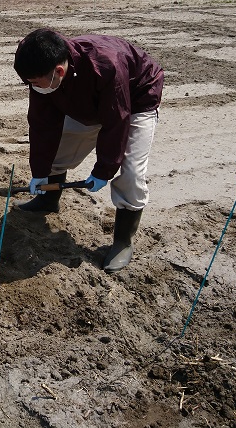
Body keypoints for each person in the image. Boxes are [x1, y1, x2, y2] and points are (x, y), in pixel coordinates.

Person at [12, 28, 164, 273]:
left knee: (131, 172)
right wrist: (39, 171)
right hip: (84, 99)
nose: (32, 87)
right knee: (58, 149)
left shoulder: (106, 66)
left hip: (135, 99)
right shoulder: (41, 70)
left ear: (58, 72)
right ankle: (48, 199)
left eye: (34, 83)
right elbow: (42, 124)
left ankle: (123, 242)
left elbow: (116, 121)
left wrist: (104, 170)